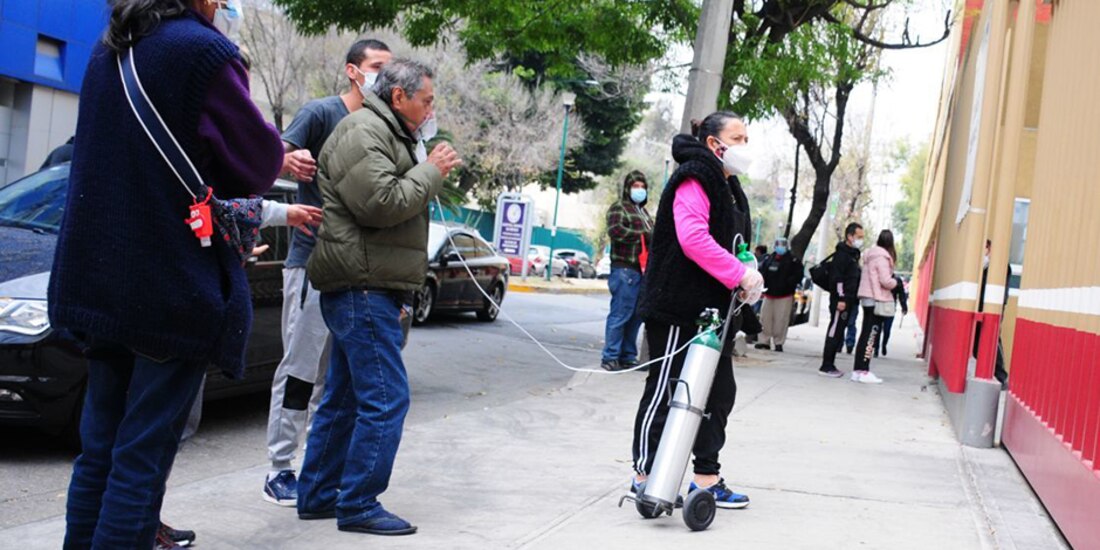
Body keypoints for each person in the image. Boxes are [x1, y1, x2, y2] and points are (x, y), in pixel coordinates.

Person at [48, 0, 283, 547]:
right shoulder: (203, 51)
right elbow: (259, 163)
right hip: (164, 285)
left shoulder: (110, 48)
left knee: (99, 451)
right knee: (140, 459)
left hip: (96, 280)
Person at [297, 59, 461, 536]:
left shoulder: (389, 134)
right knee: (386, 399)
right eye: (426, 100)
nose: (432, 108)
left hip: (369, 282)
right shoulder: (362, 132)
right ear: (398, 98)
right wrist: (430, 170)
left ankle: (320, 494)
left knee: (346, 397)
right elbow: (381, 204)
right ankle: (359, 502)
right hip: (360, 284)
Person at [261, 38, 393, 508]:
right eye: (377, 67)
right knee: (301, 369)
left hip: (360, 273)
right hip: (313, 263)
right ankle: (280, 467)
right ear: (353, 71)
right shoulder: (320, 113)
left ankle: (320, 469)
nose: (385, 76)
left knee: (340, 380)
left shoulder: (383, 126)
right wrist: (283, 158)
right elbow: (266, 160)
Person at [631, 111, 764, 509]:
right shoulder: (695, 177)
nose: (744, 147)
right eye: (737, 138)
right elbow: (693, 239)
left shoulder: (730, 187)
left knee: (719, 393)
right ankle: (644, 474)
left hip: (714, 311)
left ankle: (706, 479)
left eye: (746, 138)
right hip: (677, 304)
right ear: (713, 143)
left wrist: (747, 272)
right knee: (664, 388)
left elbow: (732, 241)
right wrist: (738, 273)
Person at [601, 170, 653, 371]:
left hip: (642, 271)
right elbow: (616, 231)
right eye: (635, 186)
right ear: (627, 188)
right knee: (620, 313)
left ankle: (627, 355)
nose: (639, 190)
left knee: (636, 316)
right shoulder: (619, 208)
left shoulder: (644, 213)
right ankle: (610, 356)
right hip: (625, 270)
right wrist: (644, 234)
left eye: (642, 187)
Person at [851, 230, 899, 383]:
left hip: (866, 298)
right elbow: (885, 280)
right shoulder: (882, 258)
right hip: (876, 299)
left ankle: (857, 371)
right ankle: (864, 371)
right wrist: (895, 283)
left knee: (865, 333)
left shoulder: (870, 255)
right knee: (871, 335)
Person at [818, 222, 864, 377]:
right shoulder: (842, 255)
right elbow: (838, 280)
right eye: (858, 237)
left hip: (849, 299)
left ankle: (831, 364)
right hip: (841, 300)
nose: (860, 240)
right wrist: (841, 298)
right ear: (849, 236)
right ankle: (826, 365)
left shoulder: (852, 254)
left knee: (839, 331)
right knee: (834, 330)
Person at [755, 237, 803, 352]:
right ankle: (764, 341)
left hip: (784, 296)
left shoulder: (793, 260)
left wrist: (788, 284)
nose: (780, 247)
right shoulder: (769, 258)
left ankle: (778, 342)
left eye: (782, 245)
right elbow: (763, 272)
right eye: (778, 245)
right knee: (765, 319)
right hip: (769, 294)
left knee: (781, 320)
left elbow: (797, 276)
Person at [877, 274, 908, 357]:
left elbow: (901, 294)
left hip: (890, 307)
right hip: (879, 305)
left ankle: (884, 344)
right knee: (877, 328)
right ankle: (876, 348)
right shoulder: (878, 277)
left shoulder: (897, 280)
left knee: (887, 329)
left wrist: (904, 306)